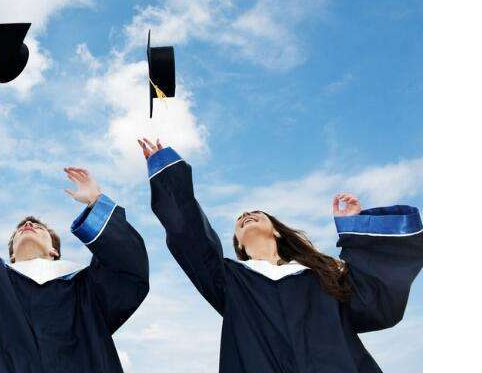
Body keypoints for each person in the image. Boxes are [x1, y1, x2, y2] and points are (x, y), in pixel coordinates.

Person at [138, 138, 423, 373]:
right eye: (239, 220)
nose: (246, 214)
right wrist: (168, 175)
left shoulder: (322, 276)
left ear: (276, 230)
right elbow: (189, 234)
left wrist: (354, 227)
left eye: (256, 213)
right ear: (239, 244)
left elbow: (375, 303)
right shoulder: (230, 281)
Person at [0, 96, 150, 372]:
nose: (28, 225)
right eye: (20, 229)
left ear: (54, 251)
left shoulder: (87, 290)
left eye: (39, 227)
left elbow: (128, 269)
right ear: (11, 254)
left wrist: (96, 202)